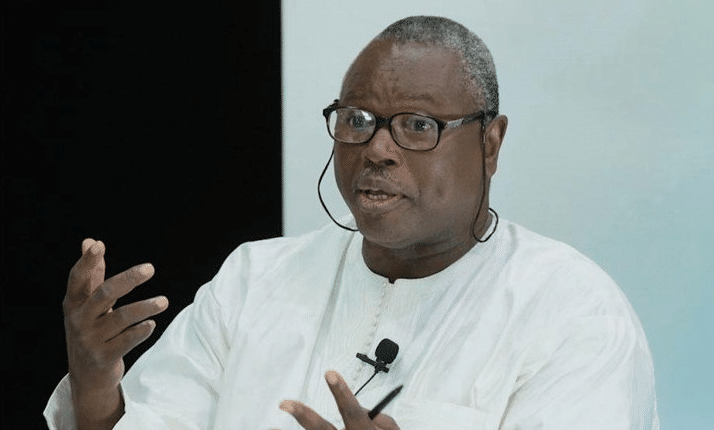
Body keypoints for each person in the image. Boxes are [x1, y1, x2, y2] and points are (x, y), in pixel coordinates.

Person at [45, 16, 659, 430]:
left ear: (490, 144)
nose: (377, 149)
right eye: (357, 119)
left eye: (418, 125)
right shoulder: (254, 280)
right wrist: (95, 389)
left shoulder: (571, 311)